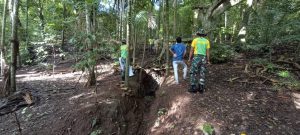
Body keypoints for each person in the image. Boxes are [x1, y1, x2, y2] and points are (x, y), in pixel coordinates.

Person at [188, 29, 211, 93]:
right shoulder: (207, 41)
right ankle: (201, 88)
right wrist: (208, 60)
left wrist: (189, 58)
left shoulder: (195, 40)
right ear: (204, 35)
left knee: (193, 72)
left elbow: (191, 50)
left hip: (196, 57)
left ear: (198, 34)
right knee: (202, 72)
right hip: (203, 58)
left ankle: (193, 87)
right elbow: (208, 52)